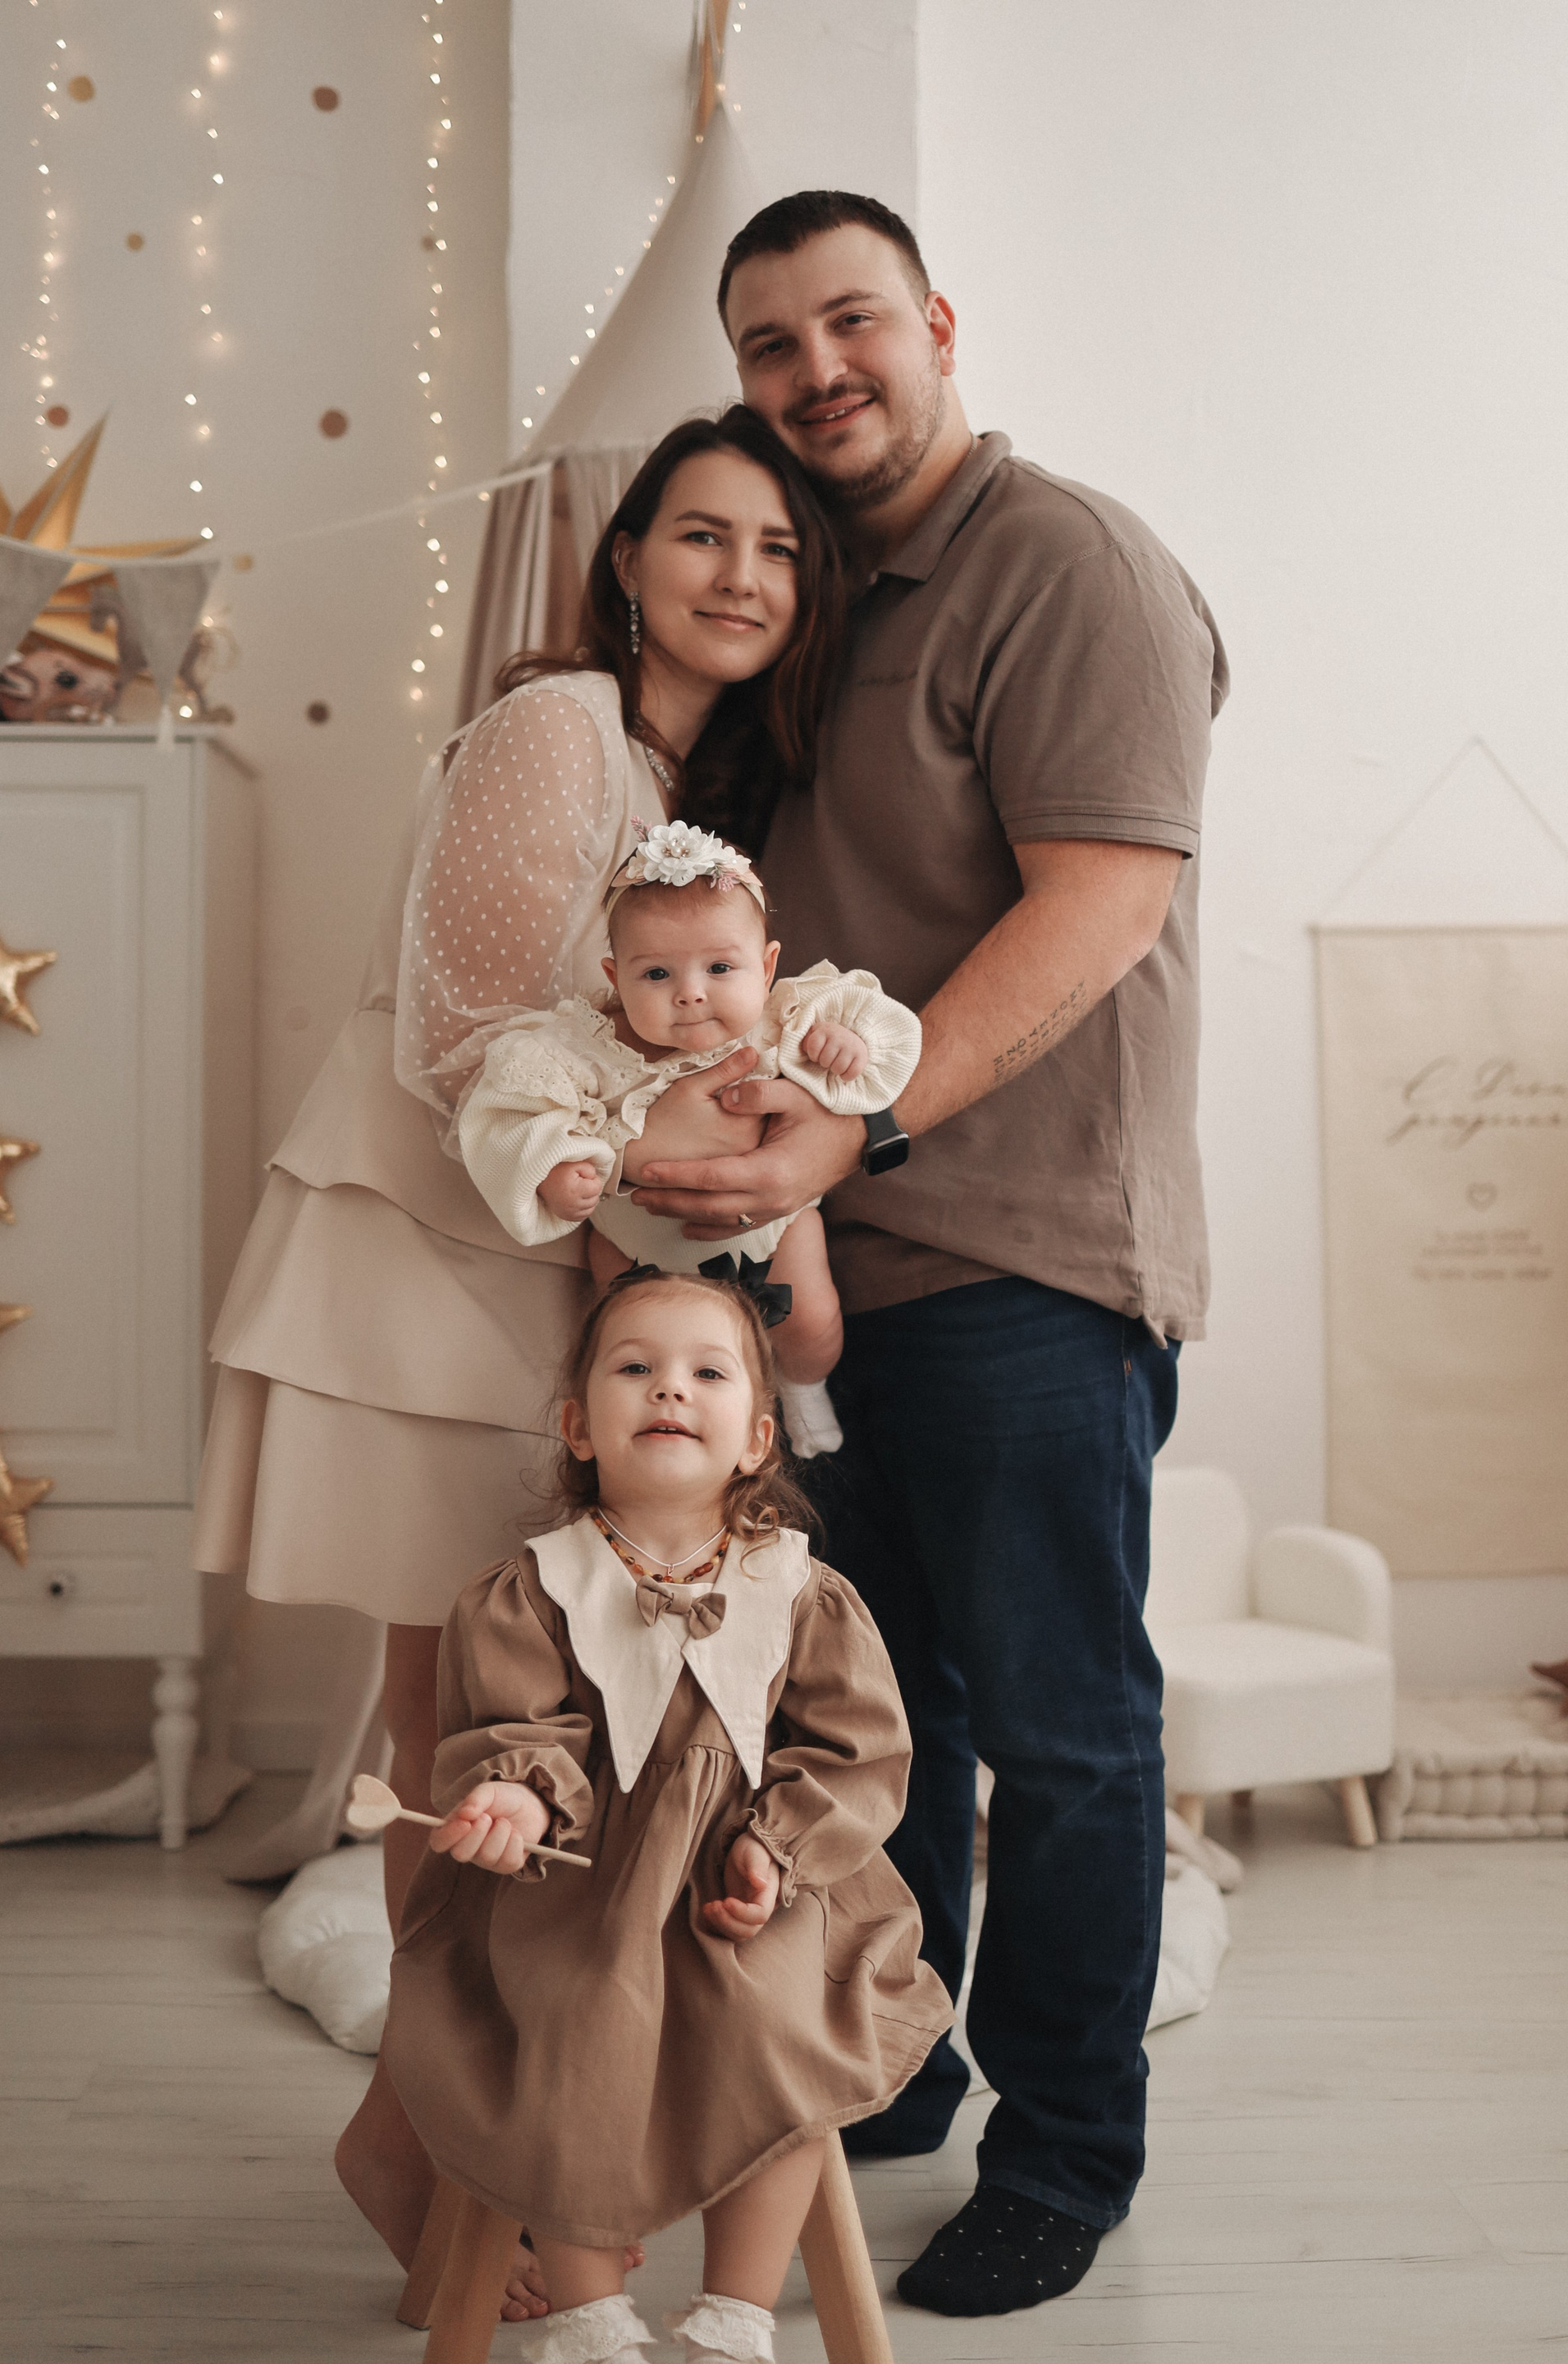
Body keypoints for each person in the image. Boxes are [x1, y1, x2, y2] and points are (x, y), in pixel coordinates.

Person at [629, 192, 1230, 2317]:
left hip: (1023, 1255)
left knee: (1061, 1732)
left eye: (852, 321)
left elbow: (1105, 899)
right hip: (825, 1275)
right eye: (771, 343)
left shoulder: (1063, 563)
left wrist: (866, 1122)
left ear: (938, 323)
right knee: (883, 1719)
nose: (818, 372)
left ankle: (1063, 2153)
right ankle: (897, 2062)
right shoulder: (809, 592)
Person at [192, 405, 848, 2318]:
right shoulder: (558, 722)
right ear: (626, 557)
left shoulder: (695, 786)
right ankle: (436, 2149)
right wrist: (704, 1231)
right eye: (703, 534)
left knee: (525, 1724)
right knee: (462, 1730)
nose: (740, 575)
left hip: (553, 1276)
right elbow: (476, 1027)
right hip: (434, 1261)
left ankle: (455, 2147)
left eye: (780, 550)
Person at [384, 1267, 951, 2364]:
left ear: (758, 1440)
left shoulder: (802, 1591)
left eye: (707, 1373)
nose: (670, 1389)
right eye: (635, 1368)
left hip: (756, 1889)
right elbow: (515, 1726)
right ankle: (591, 2320)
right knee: (570, 2018)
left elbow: (857, 1748)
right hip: (578, 1887)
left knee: (787, 2030)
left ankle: (733, 2319)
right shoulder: (531, 1590)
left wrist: (775, 1848)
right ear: (577, 1426)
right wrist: (513, 1792)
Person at [455, 823, 921, 1455]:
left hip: (774, 1232)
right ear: (615, 977)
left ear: (768, 965)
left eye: (720, 967)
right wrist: (557, 1169)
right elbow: (519, 1114)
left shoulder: (785, 1021)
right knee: (623, 1334)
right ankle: (631, 1438)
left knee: (811, 1323)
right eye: (656, 974)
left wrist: (847, 1044)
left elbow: (884, 1033)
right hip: (636, 1240)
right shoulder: (582, 1048)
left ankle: (803, 1385)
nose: (691, 992)